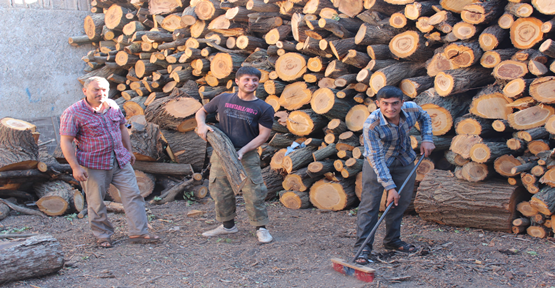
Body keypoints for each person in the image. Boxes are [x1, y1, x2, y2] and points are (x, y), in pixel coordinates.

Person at [59, 76, 160, 248]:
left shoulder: (112, 105)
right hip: (93, 164)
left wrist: (128, 151)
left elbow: (123, 127)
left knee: (133, 195)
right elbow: (66, 141)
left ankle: (139, 232)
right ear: (85, 91)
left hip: (119, 160)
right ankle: (103, 235)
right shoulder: (73, 112)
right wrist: (75, 167)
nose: (101, 93)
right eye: (96, 89)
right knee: (96, 201)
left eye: (104, 89)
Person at [354, 86, 435, 264]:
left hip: (404, 161)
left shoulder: (412, 109)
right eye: (385, 104)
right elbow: (376, 158)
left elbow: (425, 117)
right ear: (378, 104)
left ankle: (392, 241)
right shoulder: (372, 124)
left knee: (400, 202)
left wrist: (427, 137)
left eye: (395, 104)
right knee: (370, 205)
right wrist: (390, 187)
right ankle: (364, 247)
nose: (390, 108)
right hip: (377, 164)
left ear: (402, 103)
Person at [195, 66, 275, 243]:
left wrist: (242, 150)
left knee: (254, 191)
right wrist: (201, 125)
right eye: (246, 79)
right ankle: (227, 226)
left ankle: (261, 228)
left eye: (255, 80)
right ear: (237, 81)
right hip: (221, 153)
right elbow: (201, 112)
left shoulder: (264, 108)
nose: (251, 83)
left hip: (247, 155)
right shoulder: (223, 98)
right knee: (220, 190)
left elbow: (264, 135)